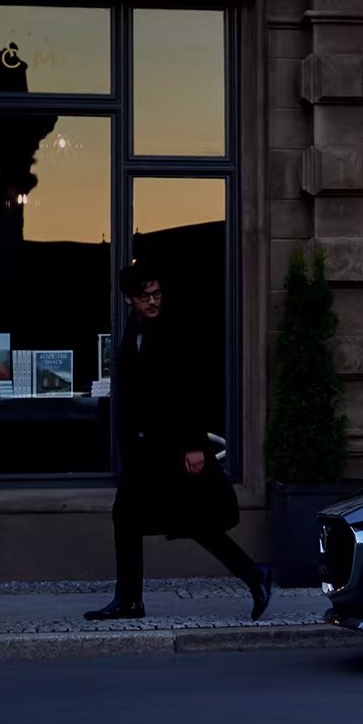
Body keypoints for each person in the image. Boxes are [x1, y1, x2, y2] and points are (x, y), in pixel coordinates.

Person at [85, 262, 272, 621]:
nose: (154, 301)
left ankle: (253, 575)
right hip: (146, 449)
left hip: (172, 447)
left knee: (188, 521)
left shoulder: (173, 329)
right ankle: (131, 600)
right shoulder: (134, 329)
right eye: (145, 297)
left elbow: (193, 388)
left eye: (157, 294)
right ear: (129, 299)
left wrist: (194, 445)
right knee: (132, 518)